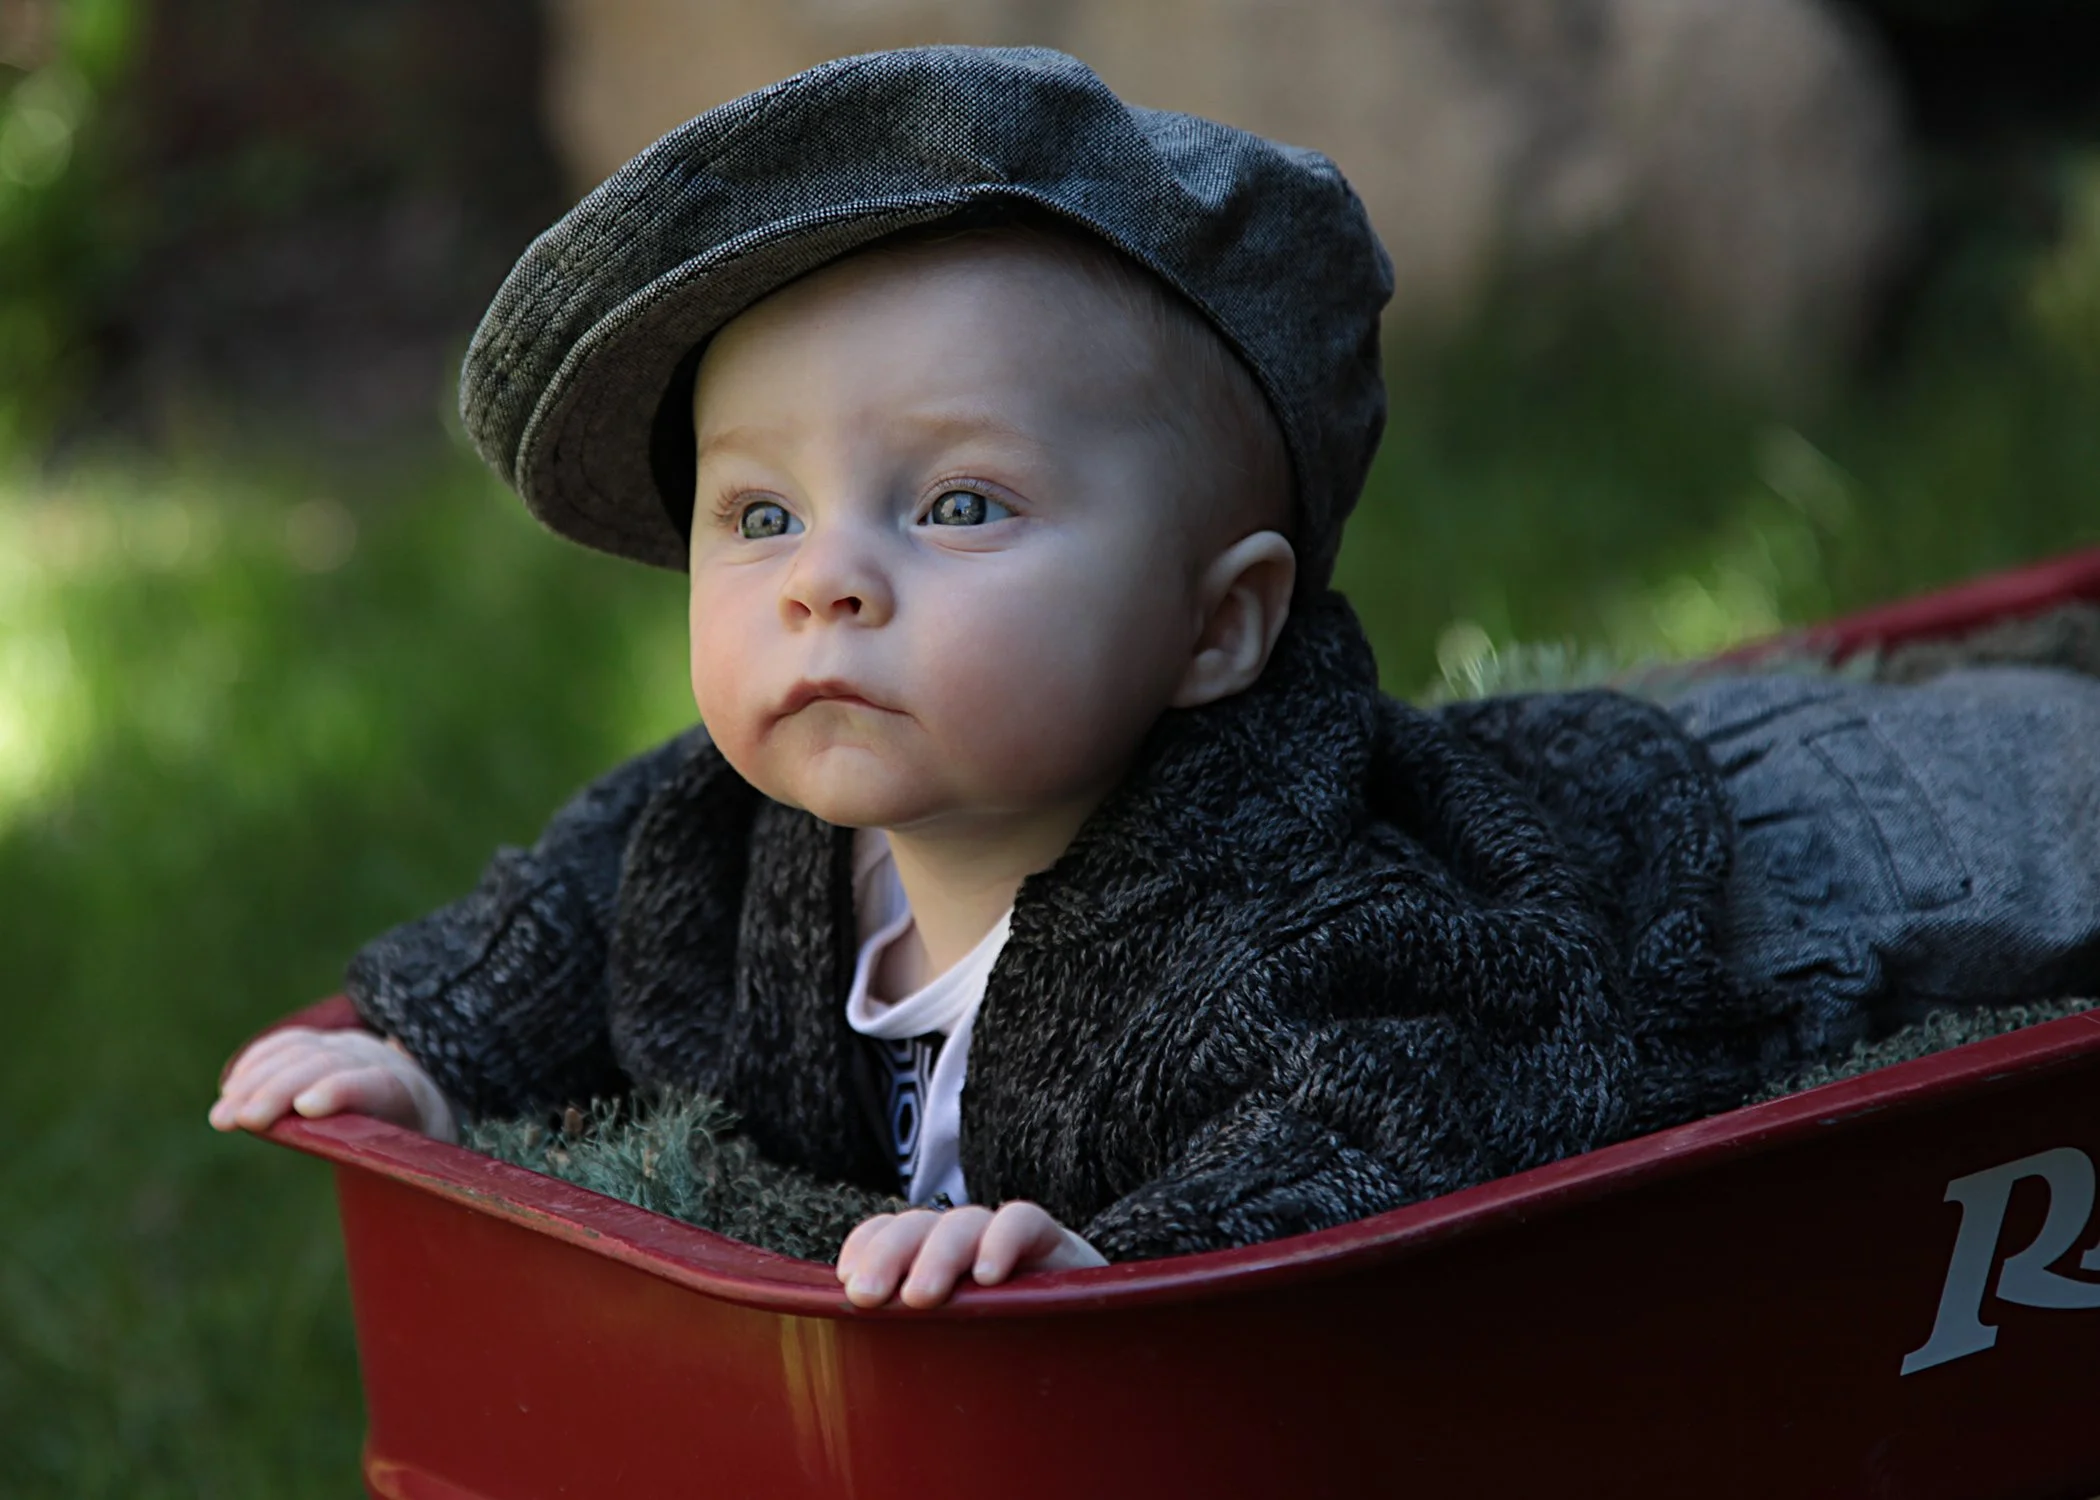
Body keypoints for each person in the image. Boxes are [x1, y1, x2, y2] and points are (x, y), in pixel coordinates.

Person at [210, 46, 2100, 1310]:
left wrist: (1136, 1256)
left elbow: (1415, 1113)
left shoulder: (1286, 912)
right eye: (759, 517)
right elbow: (578, 896)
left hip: (1772, 874)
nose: (828, 588)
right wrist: (427, 1052)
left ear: (1220, 626)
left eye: (956, 504)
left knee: (2047, 795)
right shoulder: (737, 836)